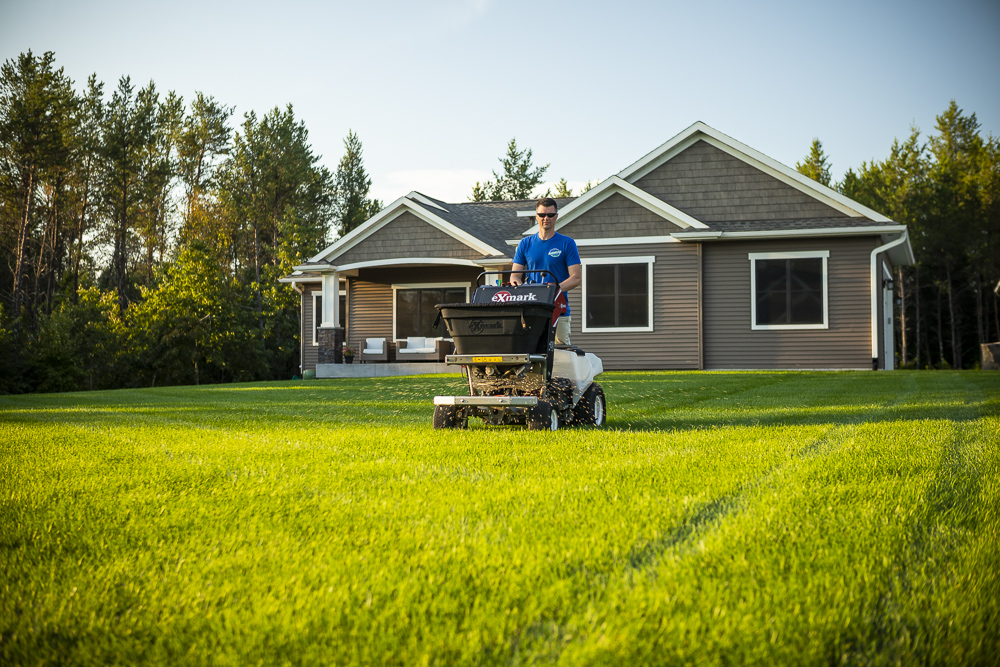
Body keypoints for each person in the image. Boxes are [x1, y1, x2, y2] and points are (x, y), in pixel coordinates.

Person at [511, 197, 581, 344]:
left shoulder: (567, 243)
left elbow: (575, 278)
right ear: (536, 216)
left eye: (550, 215)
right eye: (542, 215)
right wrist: (520, 287)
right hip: (531, 310)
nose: (546, 218)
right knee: (531, 352)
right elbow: (515, 276)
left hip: (558, 310)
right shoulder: (525, 244)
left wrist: (552, 290)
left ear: (556, 216)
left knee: (561, 357)